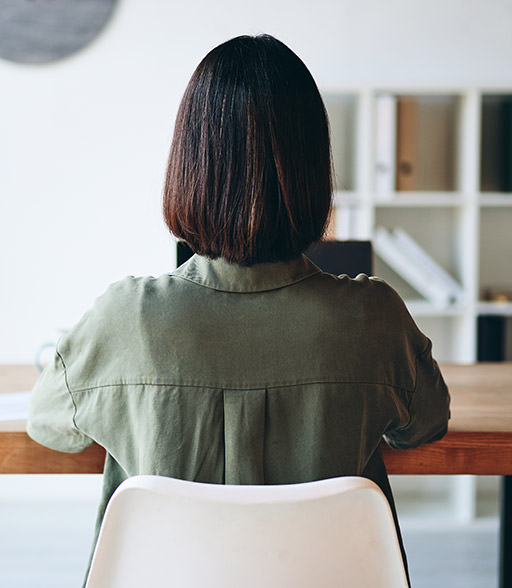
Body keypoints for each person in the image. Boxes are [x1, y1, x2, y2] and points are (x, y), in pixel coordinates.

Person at [27, 34, 450, 584]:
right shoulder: (375, 318)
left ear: (189, 166)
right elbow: (425, 422)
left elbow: (49, 423)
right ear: (313, 171)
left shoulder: (127, 318)